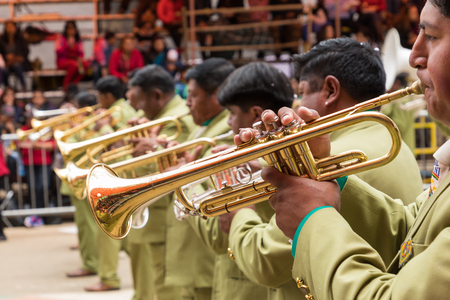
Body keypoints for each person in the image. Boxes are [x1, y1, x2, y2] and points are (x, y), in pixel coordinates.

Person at [241, 1, 450, 298]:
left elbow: (264, 264)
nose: (415, 55)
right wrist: (323, 175)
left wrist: (312, 215)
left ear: (330, 90)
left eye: (430, 35)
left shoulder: (356, 149)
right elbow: (409, 233)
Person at [185, 62, 295, 300]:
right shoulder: (264, 159)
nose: (228, 122)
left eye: (232, 113)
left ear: (256, 114)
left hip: (248, 286)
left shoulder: (265, 165)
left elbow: (217, 236)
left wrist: (188, 183)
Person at [165, 58, 235, 300]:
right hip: (192, 251)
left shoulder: (225, 134)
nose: (188, 103)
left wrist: (184, 172)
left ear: (215, 95)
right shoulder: (204, 127)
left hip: (205, 257)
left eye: (193, 95)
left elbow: (216, 195)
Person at [124, 64, 196, 300]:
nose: (138, 109)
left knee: (168, 287)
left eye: (140, 101)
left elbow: (170, 172)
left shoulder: (177, 121)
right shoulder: (161, 118)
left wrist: (149, 149)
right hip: (157, 216)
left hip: (165, 217)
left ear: (156, 95)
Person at [85, 76, 139, 292]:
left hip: (117, 175)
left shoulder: (116, 114)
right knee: (127, 233)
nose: (97, 101)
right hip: (121, 175)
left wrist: (103, 128)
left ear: (108, 96)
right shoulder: (122, 112)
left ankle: (108, 277)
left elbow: (119, 147)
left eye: (99, 97)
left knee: (106, 229)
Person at [64, 91, 100, 279]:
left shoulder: (92, 124)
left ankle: (91, 263)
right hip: (79, 177)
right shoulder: (87, 124)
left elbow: (86, 146)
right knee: (85, 224)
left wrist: (76, 129)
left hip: (84, 178)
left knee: (87, 225)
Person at [55, 21, 89, 91]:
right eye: (69, 28)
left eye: (72, 28)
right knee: (73, 65)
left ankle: (73, 84)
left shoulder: (78, 40)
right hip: (62, 61)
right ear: (66, 30)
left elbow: (81, 53)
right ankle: (66, 87)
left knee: (85, 64)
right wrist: (68, 45)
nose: (71, 30)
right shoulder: (61, 39)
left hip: (75, 61)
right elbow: (58, 52)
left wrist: (80, 59)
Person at [0, 21, 30, 91]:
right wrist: (6, 57)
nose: (10, 29)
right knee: (4, 70)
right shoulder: (2, 40)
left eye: (12, 27)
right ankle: (7, 88)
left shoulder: (21, 38)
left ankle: (23, 85)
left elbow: (25, 52)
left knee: (17, 66)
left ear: (15, 28)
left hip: (20, 61)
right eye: (8, 27)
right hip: (7, 63)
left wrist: (15, 56)